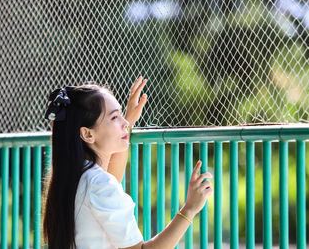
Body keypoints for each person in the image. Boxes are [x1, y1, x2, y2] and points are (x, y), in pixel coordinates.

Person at [43, 76, 213, 249]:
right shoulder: (98, 183)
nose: (124, 122)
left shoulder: (76, 177)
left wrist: (128, 124)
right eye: (115, 117)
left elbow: (110, 184)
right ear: (87, 134)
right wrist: (189, 209)